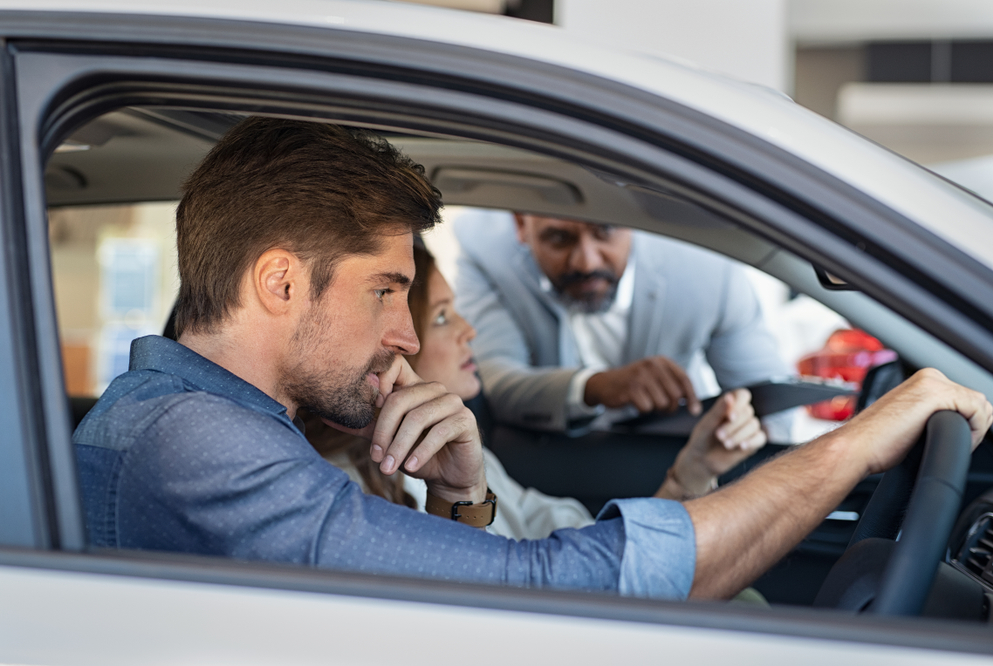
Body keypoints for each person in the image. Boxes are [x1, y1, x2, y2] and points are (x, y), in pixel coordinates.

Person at [73, 116, 992, 603]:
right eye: (387, 288)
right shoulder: (199, 446)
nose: (406, 332)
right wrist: (858, 445)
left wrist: (464, 498)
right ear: (279, 283)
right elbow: (550, 591)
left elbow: (436, 615)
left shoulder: (221, 427)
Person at [306, 243, 767, 539]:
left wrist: (691, 474)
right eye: (444, 316)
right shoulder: (333, 492)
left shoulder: (460, 453)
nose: (470, 332)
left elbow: (579, 546)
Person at [454, 210, 791, 434]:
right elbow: (497, 381)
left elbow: (770, 406)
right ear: (520, 226)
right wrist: (598, 386)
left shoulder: (708, 267)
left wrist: (739, 435)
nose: (586, 261)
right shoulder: (485, 251)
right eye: (559, 239)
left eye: (605, 231)